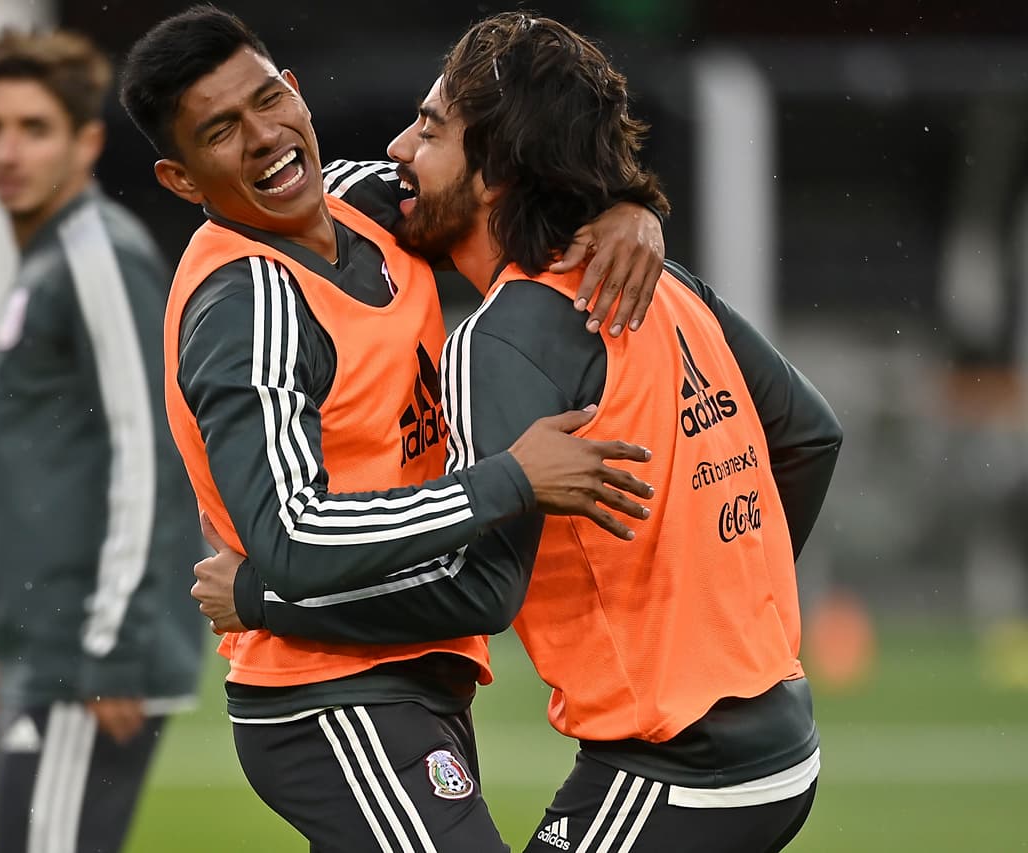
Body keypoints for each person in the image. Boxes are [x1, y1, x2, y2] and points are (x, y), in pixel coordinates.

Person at [196, 12, 843, 853]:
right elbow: (811, 436)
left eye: (429, 128)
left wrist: (264, 597)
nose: (398, 146)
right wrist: (713, 610)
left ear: (497, 170)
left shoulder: (497, 341)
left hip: (683, 768)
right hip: (779, 739)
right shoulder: (671, 285)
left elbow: (478, 590)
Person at [117, 6, 666, 851]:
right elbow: (289, 536)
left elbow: (503, 184)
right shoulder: (246, 310)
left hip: (409, 674)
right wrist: (510, 479)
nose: (264, 136)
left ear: (296, 92)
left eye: (268, 100)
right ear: (182, 181)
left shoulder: (363, 200)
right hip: (328, 694)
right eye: (221, 131)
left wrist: (628, 210)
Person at [0, 29, 205, 853]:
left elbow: (149, 452)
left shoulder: (97, 255)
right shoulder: (45, 261)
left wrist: (109, 650)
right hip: (47, 645)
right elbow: (32, 470)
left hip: (87, 653)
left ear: (87, 141)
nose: (7, 149)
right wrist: (5, 636)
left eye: (34, 128)